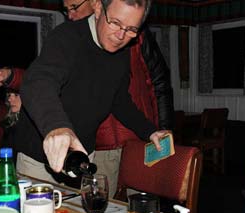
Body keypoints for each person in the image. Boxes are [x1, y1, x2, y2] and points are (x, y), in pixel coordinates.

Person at [0, 0, 167, 190]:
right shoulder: (67, 37)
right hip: (39, 160)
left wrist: (150, 131)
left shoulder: (122, 53)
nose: (121, 36)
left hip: (82, 157)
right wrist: (57, 127)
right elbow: (37, 81)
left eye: (131, 29)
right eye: (115, 23)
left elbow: (120, 101)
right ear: (98, 8)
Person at [63, 0, 174, 196]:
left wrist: (159, 128)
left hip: (138, 137)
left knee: (138, 207)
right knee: (98, 207)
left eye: (74, 8)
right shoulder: (74, 40)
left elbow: (159, 83)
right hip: (101, 144)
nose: (70, 15)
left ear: (96, 4)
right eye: (66, 10)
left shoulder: (137, 36)